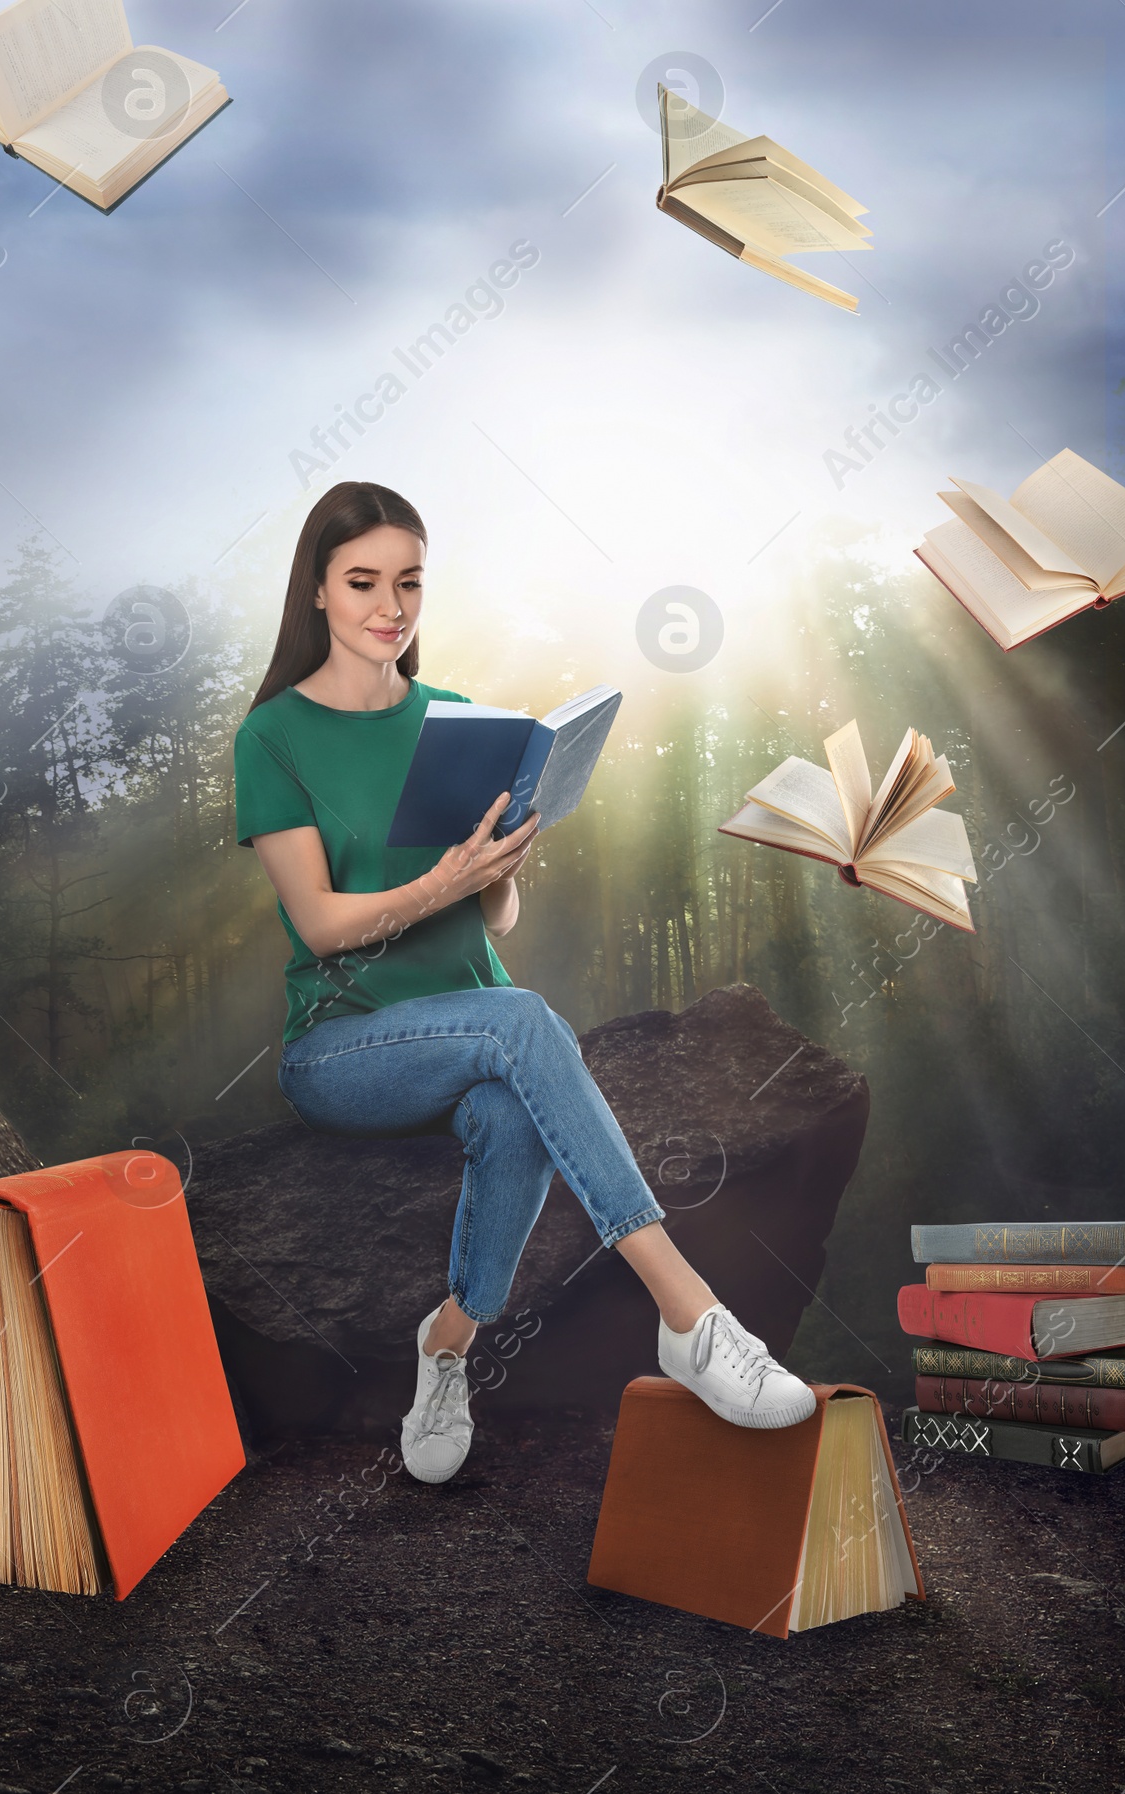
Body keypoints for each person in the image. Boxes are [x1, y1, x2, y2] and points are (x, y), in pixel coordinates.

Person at [233, 481, 815, 1484]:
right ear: (317, 593)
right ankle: (690, 1315)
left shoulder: (459, 721)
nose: (390, 606)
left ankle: (447, 1344)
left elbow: (494, 919)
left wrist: (497, 878)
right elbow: (322, 926)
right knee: (523, 1022)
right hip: (343, 1046)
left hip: (474, 1029)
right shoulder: (274, 737)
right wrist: (440, 881)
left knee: (510, 1103)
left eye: (409, 582)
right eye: (363, 582)